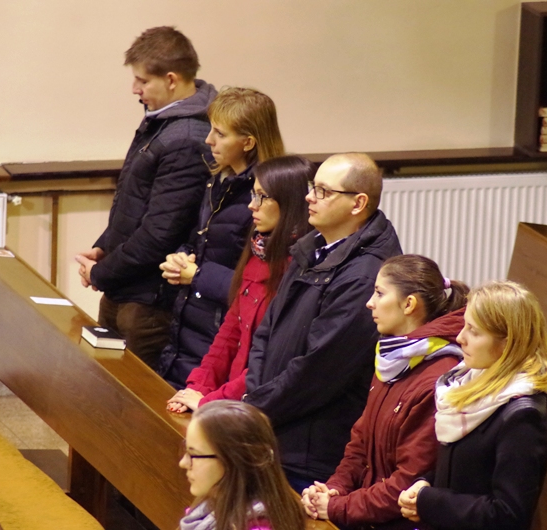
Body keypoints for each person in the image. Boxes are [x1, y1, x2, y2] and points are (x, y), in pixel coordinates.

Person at [244, 152, 403, 492]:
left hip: (310, 451)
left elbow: (318, 371)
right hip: (273, 426)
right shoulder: (312, 247)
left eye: (323, 191)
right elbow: (266, 331)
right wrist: (255, 399)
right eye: (311, 187)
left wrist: (254, 408)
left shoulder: (365, 275)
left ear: (358, 203)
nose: (309, 198)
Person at [76, 26, 217, 369]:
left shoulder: (186, 137)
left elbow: (160, 233)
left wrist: (101, 273)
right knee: (104, 381)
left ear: (171, 80)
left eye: (142, 80)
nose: (134, 89)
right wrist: (104, 246)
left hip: (149, 301)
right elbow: (134, 201)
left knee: (133, 394)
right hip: (126, 285)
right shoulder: (162, 121)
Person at [302, 255, 469, 529]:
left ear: (409, 304)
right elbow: (360, 443)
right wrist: (334, 489)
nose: (370, 303)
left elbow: (407, 482)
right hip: (368, 514)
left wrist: (337, 507)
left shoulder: (437, 378)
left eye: (379, 293)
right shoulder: (394, 358)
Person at [397, 281, 547, 530]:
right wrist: (424, 483)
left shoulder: (523, 415)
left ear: (507, 344)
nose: (460, 338)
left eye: (474, 331)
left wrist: (430, 502)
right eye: (465, 326)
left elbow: (508, 514)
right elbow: (465, 470)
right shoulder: (471, 380)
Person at [158, 87, 285, 388]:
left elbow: (262, 286)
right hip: (188, 326)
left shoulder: (268, 200)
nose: (208, 140)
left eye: (220, 133)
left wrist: (197, 275)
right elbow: (201, 239)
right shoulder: (219, 180)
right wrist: (182, 257)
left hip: (222, 339)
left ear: (248, 142)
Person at [166, 156, 314, 412]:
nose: (251, 205)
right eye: (253, 195)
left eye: (262, 197)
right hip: (230, 400)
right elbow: (231, 330)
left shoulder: (299, 268)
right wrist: (198, 387)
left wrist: (211, 401)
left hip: (257, 405)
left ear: (291, 201)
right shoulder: (259, 250)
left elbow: (269, 362)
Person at [179, 400, 305, 530]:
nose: (183, 463)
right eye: (185, 450)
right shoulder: (208, 507)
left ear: (234, 460)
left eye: (194, 455)